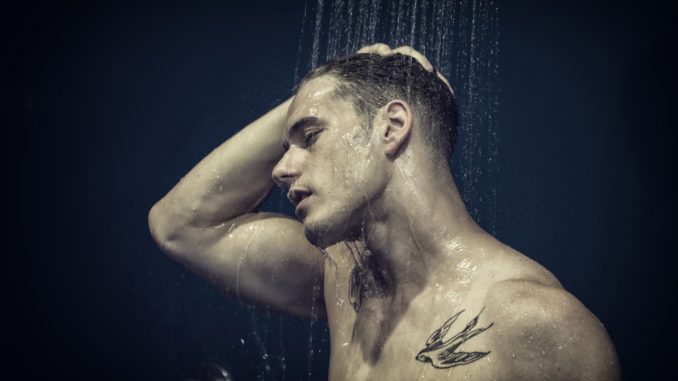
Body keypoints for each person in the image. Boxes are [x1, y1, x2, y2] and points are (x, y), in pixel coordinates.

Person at [148, 44, 620, 380]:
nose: (280, 168)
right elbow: (180, 225)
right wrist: (311, 99)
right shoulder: (345, 279)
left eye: (309, 137)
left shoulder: (542, 327)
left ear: (392, 127)